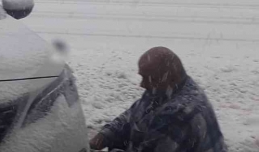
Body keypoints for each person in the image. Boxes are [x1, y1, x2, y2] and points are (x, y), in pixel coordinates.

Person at [90, 47, 227, 152]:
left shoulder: (177, 115)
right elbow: (133, 114)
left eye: (148, 78)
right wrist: (106, 135)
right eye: (142, 77)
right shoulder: (168, 88)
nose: (142, 84)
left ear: (169, 77)